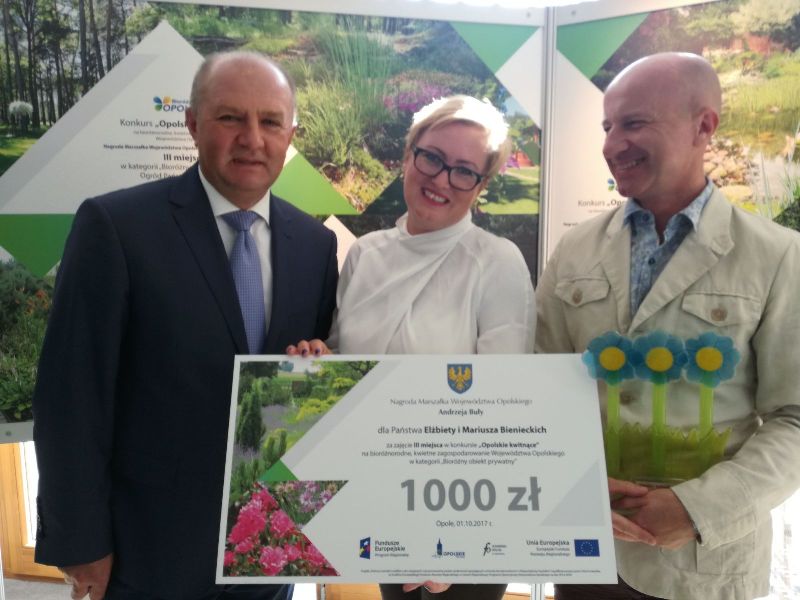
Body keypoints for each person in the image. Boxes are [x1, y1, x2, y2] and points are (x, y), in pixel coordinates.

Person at [32, 51, 338, 600]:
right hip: (145, 556)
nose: (252, 138)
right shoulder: (116, 226)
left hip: (265, 556)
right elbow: (71, 395)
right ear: (193, 124)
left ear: (291, 135)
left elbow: (303, 391)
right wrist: (80, 540)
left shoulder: (315, 246)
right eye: (230, 117)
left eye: (270, 122)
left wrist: (316, 367)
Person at [535, 52, 800, 600]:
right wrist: (570, 483)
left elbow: (794, 418)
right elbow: (540, 392)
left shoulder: (776, 256)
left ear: (704, 126)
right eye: (607, 127)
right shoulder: (574, 249)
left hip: (703, 566)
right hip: (587, 549)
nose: (612, 144)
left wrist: (698, 509)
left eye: (633, 123)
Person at [289, 95, 536, 599]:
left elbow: (505, 405)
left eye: (464, 171)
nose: (442, 179)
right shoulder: (364, 254)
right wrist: (316, 362)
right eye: (432, 158)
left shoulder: (497, 261)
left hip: (467, 510)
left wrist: (454, 536)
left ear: (481, 185)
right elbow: (344, 363)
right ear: (407, 156)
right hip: (380, 493)